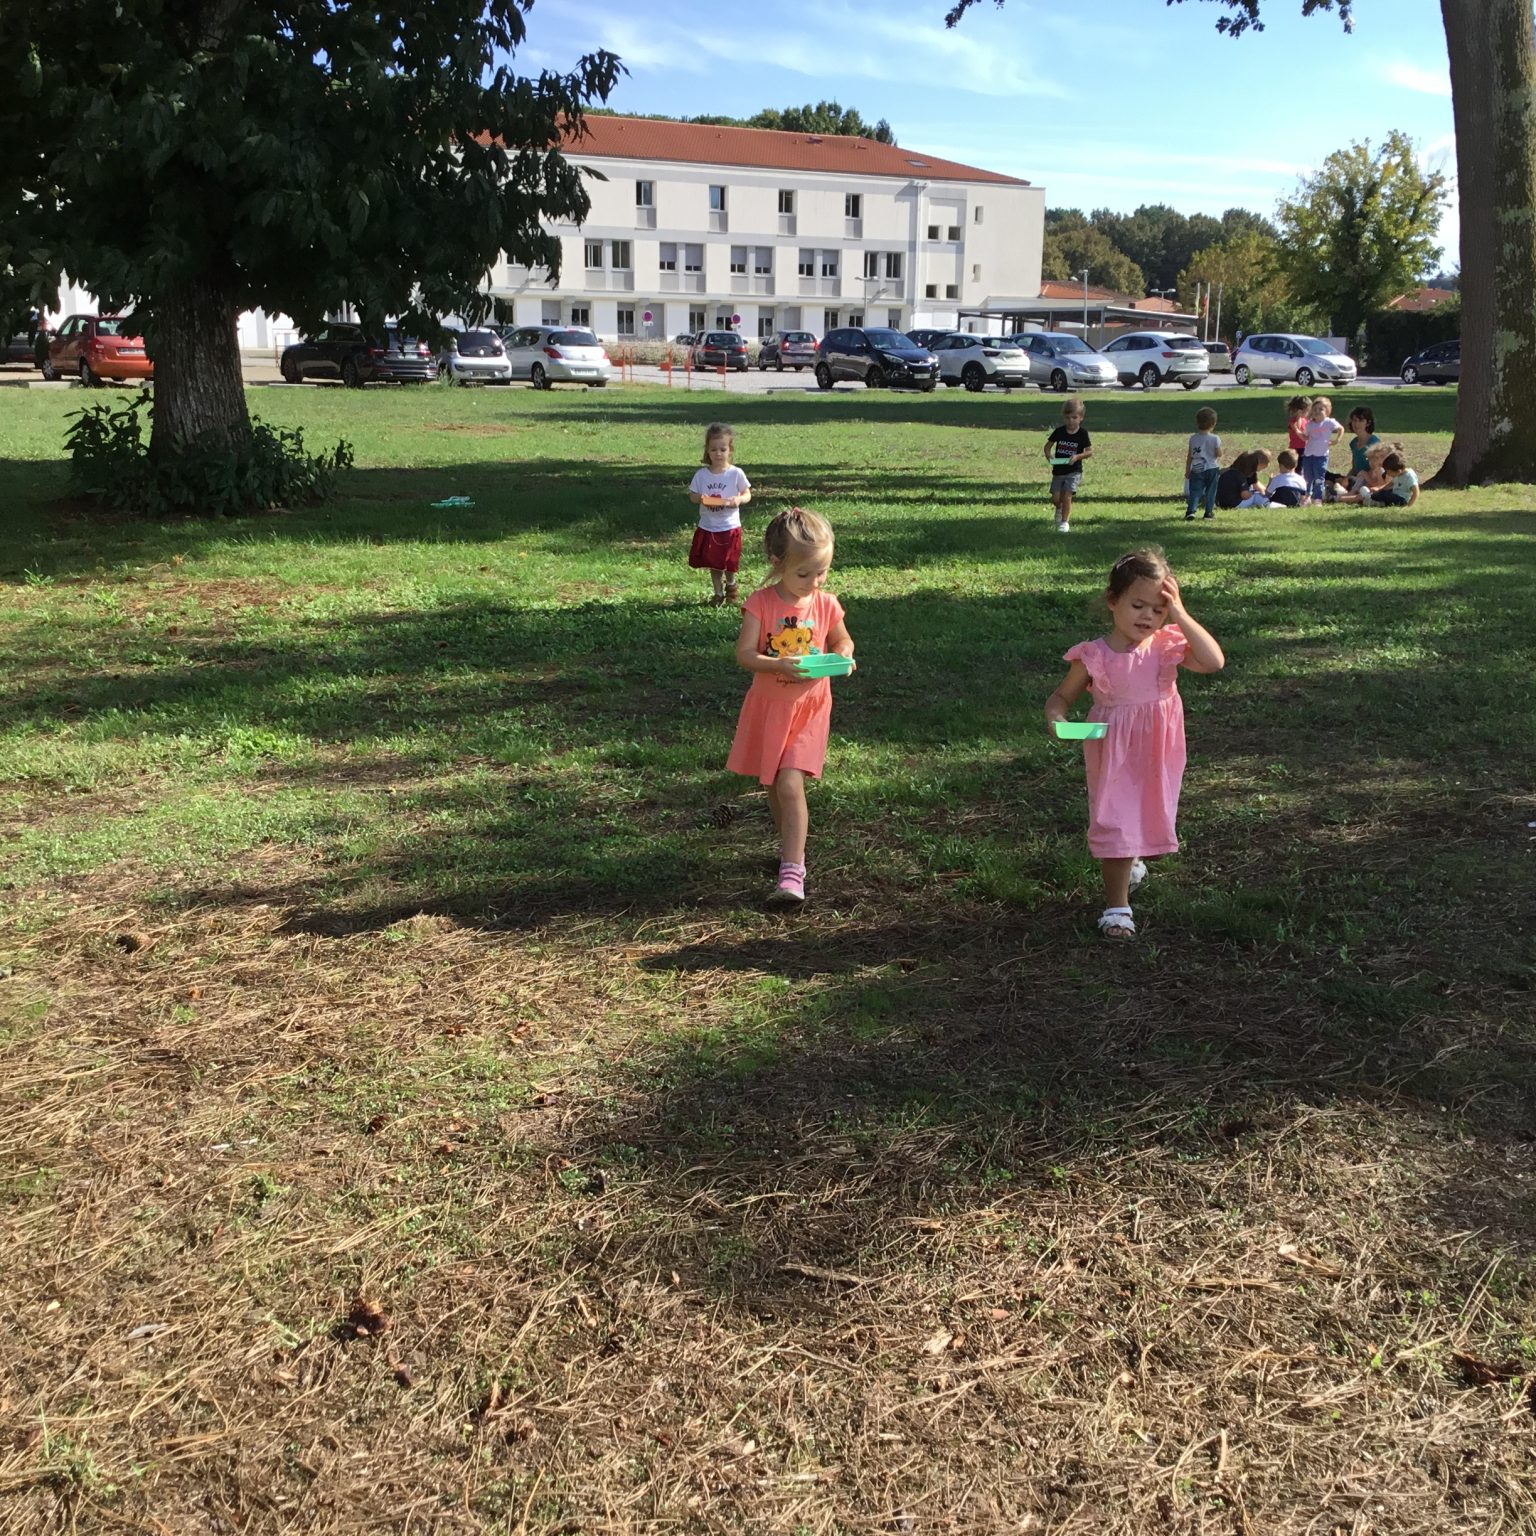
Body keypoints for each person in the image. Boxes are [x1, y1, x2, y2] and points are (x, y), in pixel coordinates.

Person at [1044, 548, 1225, 941]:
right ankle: (1117, 908)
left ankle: (1134, 858)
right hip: (1113, 751)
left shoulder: (1165, 646)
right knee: (1115, 821)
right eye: (1137, 605)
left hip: (1158, 751)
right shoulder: (1094, 656)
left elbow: (1214, 662)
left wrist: (1180, 614)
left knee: (1144, 814)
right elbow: (1060, 698)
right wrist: (1058, 720)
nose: (1147, 616)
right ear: (1113, 601)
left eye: (1158, 610)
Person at [726, 507, 856, 907]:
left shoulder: (826, 604)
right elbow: (745, 654)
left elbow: (843, 641)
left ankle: (793, 870)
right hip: (770, 707)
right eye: (804, 574)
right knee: (772, 784)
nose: (814, 582)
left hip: (810, 709)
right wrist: (777, 665)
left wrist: (843, 656)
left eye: (822, 572)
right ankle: (790, 849)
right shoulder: (761, 603)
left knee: (788, 782)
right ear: (776, 562)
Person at [687, 422, 752, 607]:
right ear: (707, 451)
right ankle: (718, 593)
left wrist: (738, 499)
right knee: (713, 562)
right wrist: (701, 498)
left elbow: (747, 493)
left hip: (729, 526)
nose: (718, 453)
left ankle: (731, 584)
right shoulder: (702, 475)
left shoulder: (735, 474)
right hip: (709, 526)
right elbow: (692, 496)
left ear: (730, 450)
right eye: (713, 449)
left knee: (728, 561)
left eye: (722, 449)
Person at [1043, 397, 1092, 533]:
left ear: (1081, 418)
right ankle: (1059, 509)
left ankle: (1065, 522)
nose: (1071, 421)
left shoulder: (1082, 434)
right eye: (1067, 418)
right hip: (1059, 470)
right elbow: (1047, 447)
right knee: (1056, 498)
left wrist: (1077, 457)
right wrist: (1049, 456)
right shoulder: (1059, 431)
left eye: (1074, 418)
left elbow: (1089, 452)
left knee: (1067, 496)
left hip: (1074, 471)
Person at [1300, 395, 1344, 504]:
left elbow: (1341, 429)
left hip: (1321, 456)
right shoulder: (1309, 425)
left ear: (1328, 411)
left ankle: (1318, 498)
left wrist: (1337, 440)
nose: (1317, 411)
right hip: (1308, 455)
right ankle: (1307, 496)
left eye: (1321, 409)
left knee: (1319, 478)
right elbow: (1305, 437)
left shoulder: (1329, 422)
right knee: (1308, 478)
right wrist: (1297, 431)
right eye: (1315, 409)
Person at [1184, 405, 1222, 521]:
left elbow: (1190, 455)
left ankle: (1191, 511)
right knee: (1211, 491)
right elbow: (1218, 454)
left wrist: (1187, 470)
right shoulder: (1215, 438)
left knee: (1195, 490)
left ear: (1197, 422)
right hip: (1212, 468)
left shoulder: (1193, 438)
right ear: (1213, 424)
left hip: (1196, 468)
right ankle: (1208, 513)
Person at [1286, 394, 1311, 462]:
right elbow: (1299, 432)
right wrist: (1298, 416)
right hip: (1296, 449)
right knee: (1298, 466)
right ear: (1300, 411)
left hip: (1305, 448)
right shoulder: (1294, 422)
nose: (1308, 412)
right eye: (1307, 410)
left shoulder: (1305, 420)